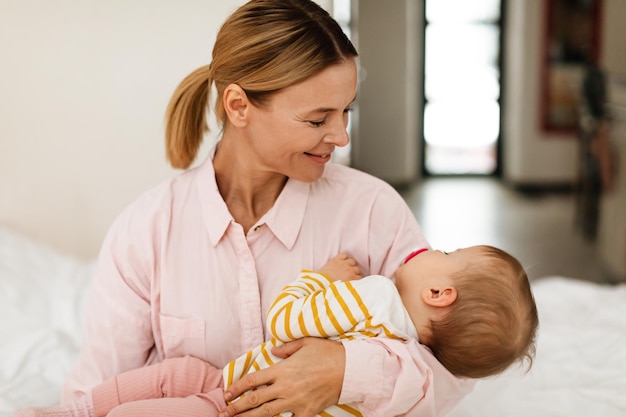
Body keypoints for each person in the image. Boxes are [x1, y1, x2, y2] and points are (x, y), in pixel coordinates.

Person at [44, 0, 477, 416]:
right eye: (317, 119)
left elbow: (452, 370)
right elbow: (93, 397)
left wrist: (346, 372)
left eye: (346, 111)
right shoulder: (146, 232)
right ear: (238, 107)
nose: (342, 136)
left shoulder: (372, 211)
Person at [17, 245, 538, 417]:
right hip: (231, 382)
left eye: (446, 255)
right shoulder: (417, 361)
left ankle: (84, 410)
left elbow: (285, 322)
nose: (433, 250)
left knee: (164, 394)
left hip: (236, 404)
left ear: (439, 294)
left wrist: (322, 280)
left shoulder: (376, 298)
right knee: (177, 375)